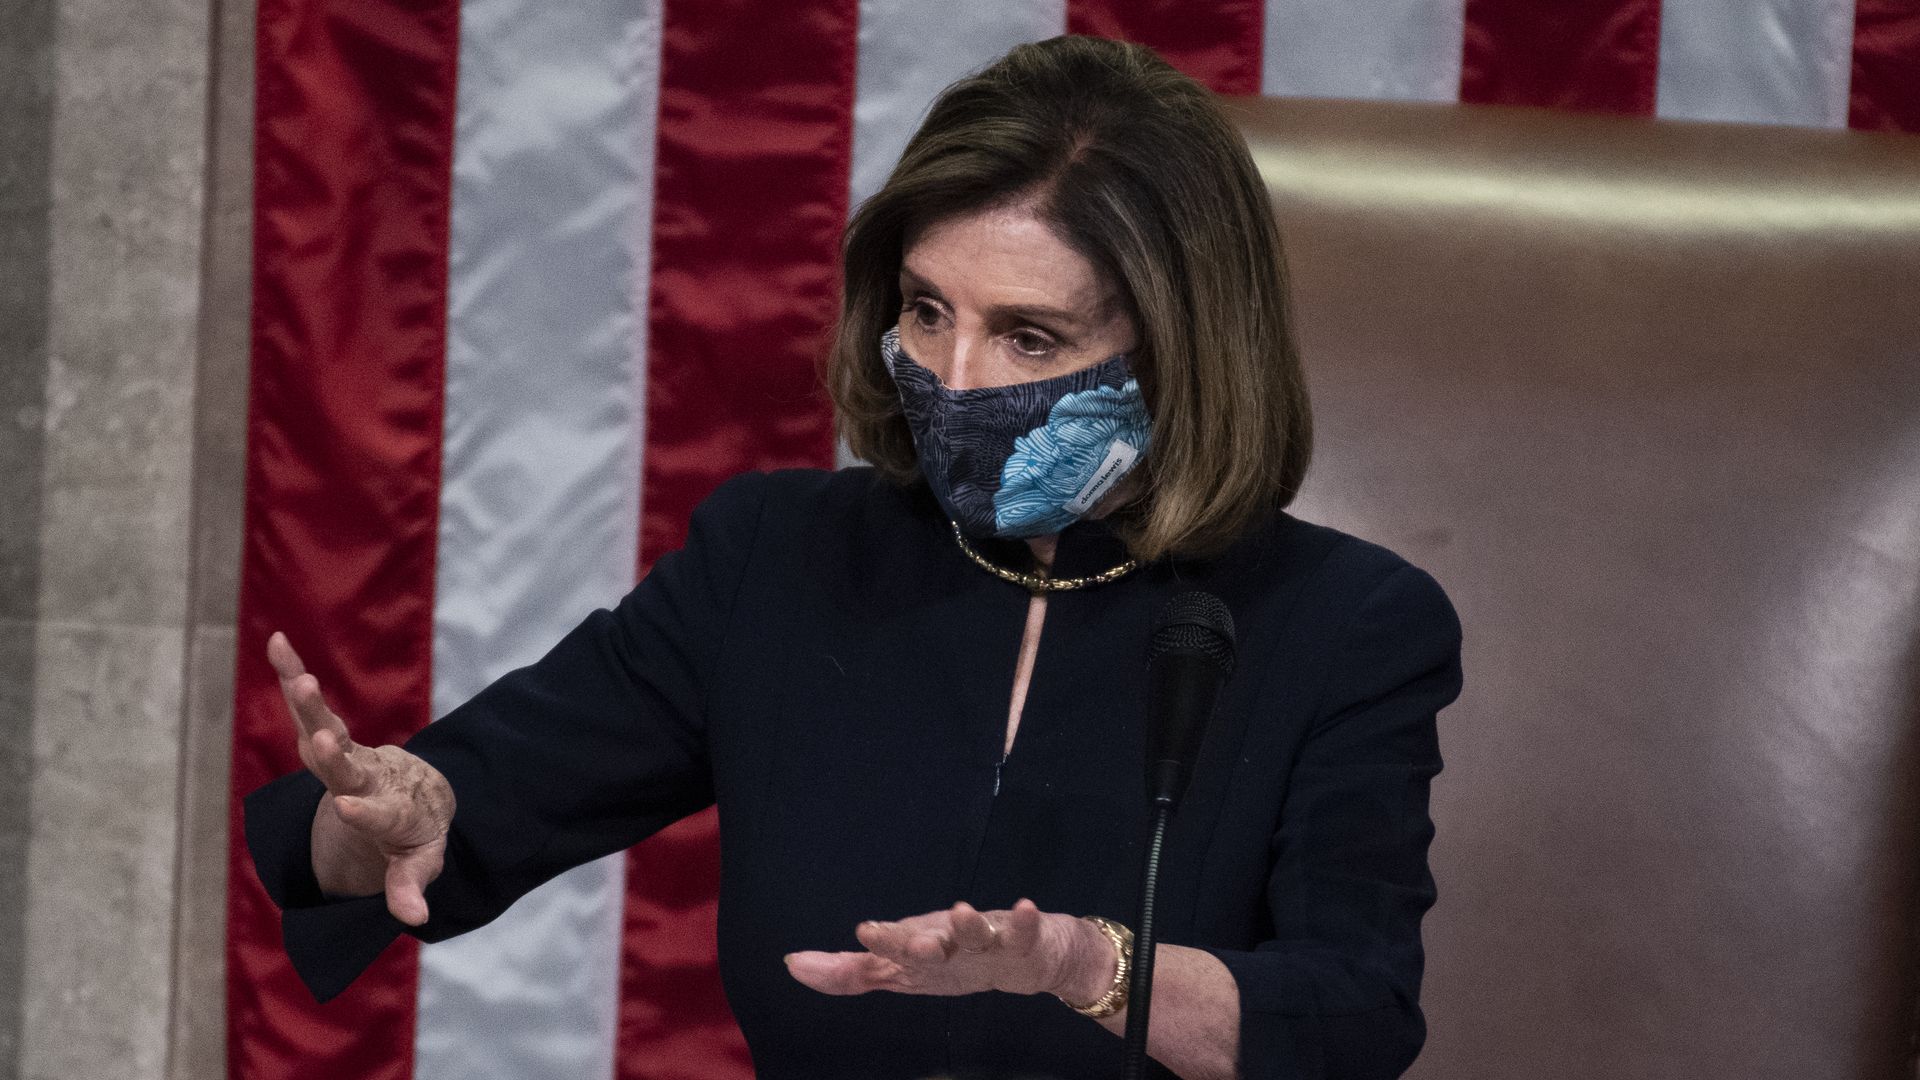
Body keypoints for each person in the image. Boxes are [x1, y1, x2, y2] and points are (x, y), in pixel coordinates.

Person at [245, 34, 1464, 1080]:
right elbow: (453, 812)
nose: (954, 380)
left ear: (1184, 350)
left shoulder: (1344, 626)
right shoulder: (780, 558)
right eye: (928, 311)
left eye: (1029, 334)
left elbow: (1350, 1018)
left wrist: (1084, 967)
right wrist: (378, 826)